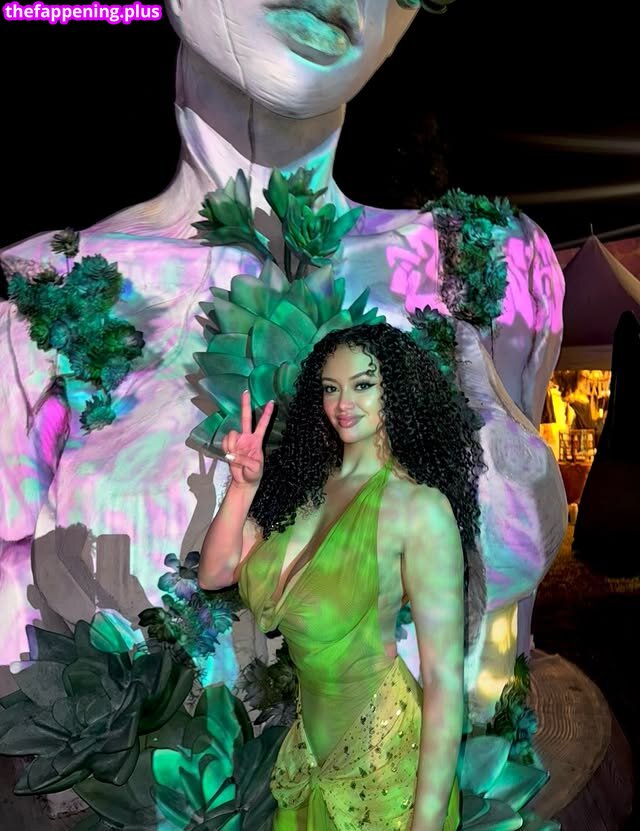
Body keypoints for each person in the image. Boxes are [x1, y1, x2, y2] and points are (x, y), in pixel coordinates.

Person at [199, 322, 485, 831]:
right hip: (309, 757)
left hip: (385, 769)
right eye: (331, 388)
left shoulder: (418, 509)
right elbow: (215, 573)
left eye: (362, 385)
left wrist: (426, 824)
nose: (343, 403)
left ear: (395, 390)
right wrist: (242, 488)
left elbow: (444, 681)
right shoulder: (304, 484)